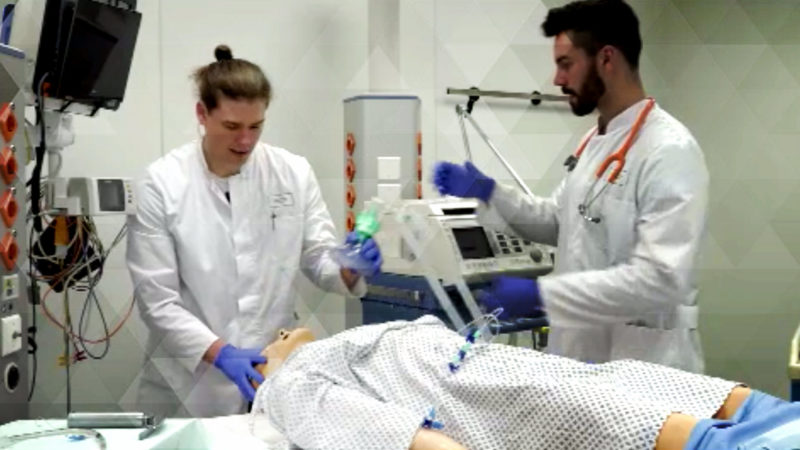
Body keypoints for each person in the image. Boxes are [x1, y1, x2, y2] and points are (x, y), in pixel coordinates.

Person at [433, 0, 709, 372]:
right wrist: (489, 191)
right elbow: (558, 221)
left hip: (646, 370)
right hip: (580, 361)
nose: (557, 80)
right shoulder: (594, 142)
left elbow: (660, 280)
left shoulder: (669, 150)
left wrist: (543, 295)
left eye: (566, 64)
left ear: (606, 60)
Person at [126, 44, 383, 418]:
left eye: (255, 126)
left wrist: (351, 266)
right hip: (191, 382)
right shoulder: (161, 184)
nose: (245, 141)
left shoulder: (292, 173)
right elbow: (158, 302)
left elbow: (318, 258)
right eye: (231, 126)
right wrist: (220, 353)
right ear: (202, 113)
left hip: (274, 369)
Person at [251, 316, 800, 450]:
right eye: (277, 336)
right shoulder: (291, 381)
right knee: (592, 405)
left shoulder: (382, 333)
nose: (285, 331)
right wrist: (280, 371)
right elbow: (403, 439)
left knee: (618, 381)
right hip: (512, 398)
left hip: (516, 371)